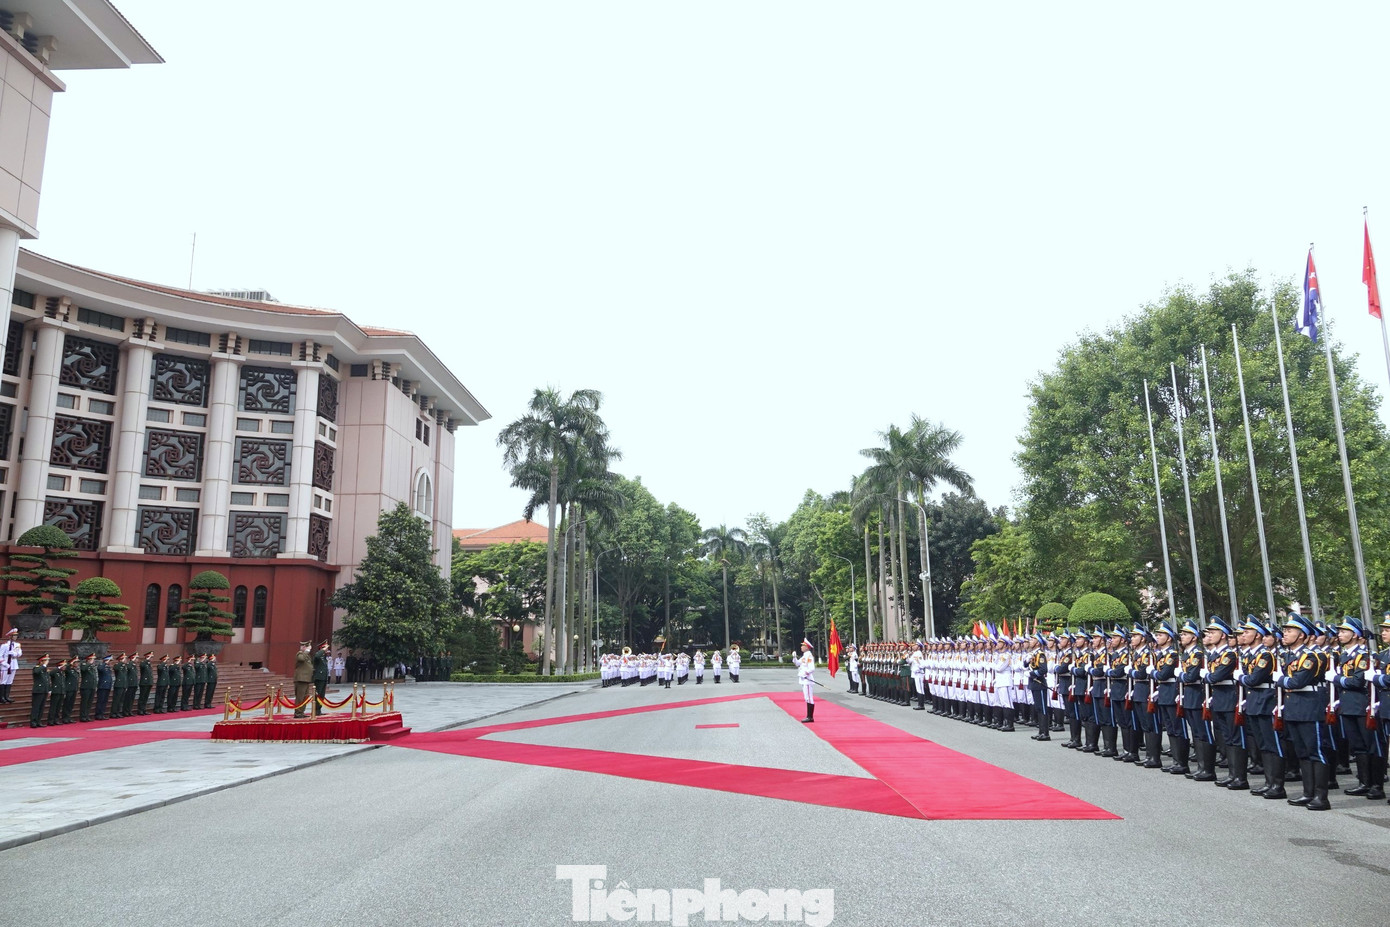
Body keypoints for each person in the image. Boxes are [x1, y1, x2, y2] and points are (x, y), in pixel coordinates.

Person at [1275, 613, 1333, 810]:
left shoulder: (1312, 656)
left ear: (1301, 635)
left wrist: (1281, 680)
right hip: (1295, 706)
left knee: (1315, 751)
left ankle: (1321, 796)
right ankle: (1308, 793)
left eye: (1290, 631)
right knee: (1302, 752)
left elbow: (1297, 681)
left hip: (1309, 706)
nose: (1285, 634)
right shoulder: (1292, 656)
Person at [797, 638, 816, 723]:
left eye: (803, 645)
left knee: (809, 698)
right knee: (806, 698)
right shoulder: (804, 656)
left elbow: (812, 668)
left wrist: (805, 673)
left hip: (808, 680)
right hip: (804, 680)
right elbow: (798, 663)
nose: (801, 647)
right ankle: (808, 716)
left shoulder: (809, 656)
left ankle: (810, 717)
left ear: (807, 647)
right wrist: (794, 657)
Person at [29, 653, 51, 727]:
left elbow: (47, 680)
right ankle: (33, 722)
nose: (47, 662)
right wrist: (44, 665)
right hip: (38, 690)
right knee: (36, 707)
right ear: (41, 661)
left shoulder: (45, 670)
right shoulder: (37, 668)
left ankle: (38, 721)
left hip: (44, 690)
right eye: (45, 661)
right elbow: (36, 672)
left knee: (41, 707)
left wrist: (49, 690)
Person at [294, 641, 314, 718]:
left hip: (306, 679)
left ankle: (301, 712)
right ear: (303, 647)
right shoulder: (300, 654)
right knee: (300, 697)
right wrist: (306, 651)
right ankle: (298, 713)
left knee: (305, 697)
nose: (309, 650)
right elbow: (301, 659)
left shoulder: (307, 656)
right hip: (301, 679)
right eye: (307, 647)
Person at [0, 627, 20, 703]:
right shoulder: (4, 646)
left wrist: (14, 653)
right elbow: (0, 656)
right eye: (14, 635)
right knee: (3, 681)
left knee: (9, 681)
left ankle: (6, 696)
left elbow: (19, 653)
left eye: (16, 635)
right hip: (5, 666)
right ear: (10, 636)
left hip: (13, 664)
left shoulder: (17, 645)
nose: (15, 637)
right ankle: (1, 697)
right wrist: (4, 663)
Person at [79, 653, 97, 722]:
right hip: (86, 687)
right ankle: (83, 716)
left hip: (91, 686)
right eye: (92, 659)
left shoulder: (92, 666)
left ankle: (86, 715)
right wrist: (89, 663)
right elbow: (83, 669)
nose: (93, 660)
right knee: (84, 702)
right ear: (89, 659)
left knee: (89, 702)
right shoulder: (84, 664)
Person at [96, 654, 115, 719]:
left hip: (107, 686)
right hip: (102, 686)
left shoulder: (108, 667)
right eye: (109, 660)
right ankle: (98, 714)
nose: (110, 662)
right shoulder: (102, 666)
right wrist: (105, 663)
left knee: (104, 701)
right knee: (100, 700)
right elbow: (100, 669)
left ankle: (102, 713)